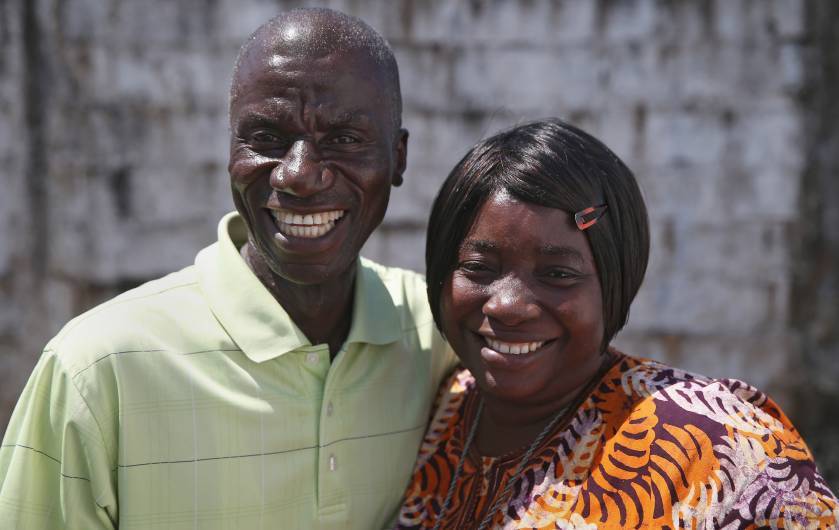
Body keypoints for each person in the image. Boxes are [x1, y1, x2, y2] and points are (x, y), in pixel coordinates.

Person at [0, 8, 454, 529]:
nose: (299, 175)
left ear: (397, 159)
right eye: (266, 137)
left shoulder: (435, 333)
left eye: (344, 139)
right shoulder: (97, 370)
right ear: (230, 151)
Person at [395, 119, 839, 529]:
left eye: (558, 274)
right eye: (478, 267)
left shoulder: (718, 448)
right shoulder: (438, 412)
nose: (509, 305)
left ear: (615, 281)